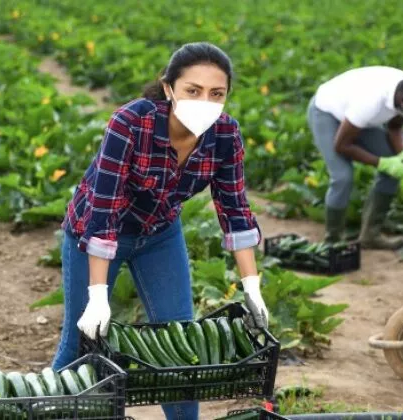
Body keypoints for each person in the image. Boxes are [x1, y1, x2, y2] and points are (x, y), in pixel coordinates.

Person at [53, 42, 268, 420]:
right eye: (193, 90)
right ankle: (48, 410)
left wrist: (252, 287)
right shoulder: (131, 123)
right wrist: (99, 294)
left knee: (182, 348)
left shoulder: (225, 135)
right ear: (169, 88)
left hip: (160, 235)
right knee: (80, 341)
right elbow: (104, 209)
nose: (205, 101)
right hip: (99, 232)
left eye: (216, 93)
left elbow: (235, 210)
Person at [307, 66, 403, 249]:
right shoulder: (370, 100)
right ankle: (333, 241)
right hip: (327, 113)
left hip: (357, 121)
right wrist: (382, 163)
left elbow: (395, 127)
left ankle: (370, 235)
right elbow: (342, 145)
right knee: (343, 177)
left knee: (395, 169)